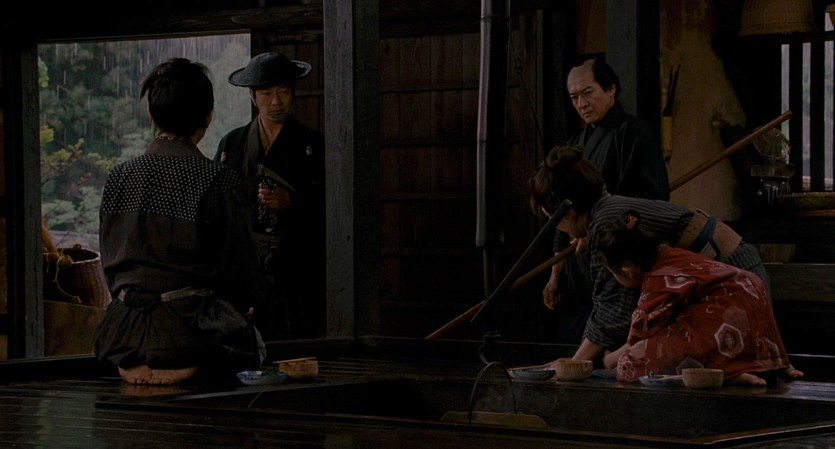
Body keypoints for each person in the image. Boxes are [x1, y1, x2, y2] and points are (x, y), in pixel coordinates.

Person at [93, 58, 267, 385]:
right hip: (192, 335)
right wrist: (242, 305)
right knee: (249, 346)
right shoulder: (217, 180)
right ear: (208, 116)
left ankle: (145, 361)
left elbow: (111, 267)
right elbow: (241, 273)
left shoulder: (119, 177)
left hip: (123, 335)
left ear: (151, 114)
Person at [528, 145, 770, 366]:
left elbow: (614, 309)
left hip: (733, 289)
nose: (557, 227)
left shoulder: (606, 222)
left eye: (552, 219)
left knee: (641, 360)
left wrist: (574, 363)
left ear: (569, 212)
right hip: (727, 286)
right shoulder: (605, 213)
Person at [589, 211, 803, 386]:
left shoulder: (657, 279)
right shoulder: (670, 254)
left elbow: (641, 334)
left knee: (632, 363)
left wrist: (610, 359)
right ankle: (769, 364)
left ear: (627, 269)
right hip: (750, 290)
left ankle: (725, 374)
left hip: (727, 309)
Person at [541, 58, 670, 343]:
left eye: (588, 93)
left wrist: (602, 228)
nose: (581, 103)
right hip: (579, 266)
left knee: (614, 342)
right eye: (574, 97)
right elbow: (562, 214)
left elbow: (653, 198)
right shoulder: (574, 145)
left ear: (611, 89)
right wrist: (555, 275)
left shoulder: (634, 133)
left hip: (618, 261)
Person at [215, 52, 326, 340]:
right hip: (246, 258)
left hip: (297, 258)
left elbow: (333, 205)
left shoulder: (313, 144)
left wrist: (294, 201)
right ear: (253, 97)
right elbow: (217, 202)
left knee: (299, 335)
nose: (276, 101)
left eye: (283, 92)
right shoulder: (233, 142)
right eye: (266, 94)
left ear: (293, 93)